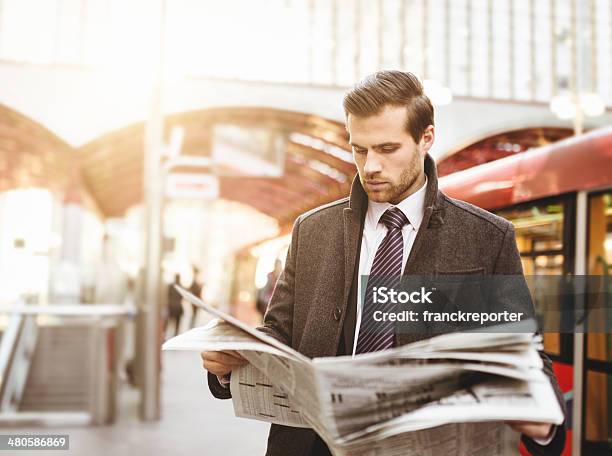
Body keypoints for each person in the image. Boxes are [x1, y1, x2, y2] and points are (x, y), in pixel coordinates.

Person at [201, 71, 566, 455]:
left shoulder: (487, 238)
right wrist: (231, 360)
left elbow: (526, 353)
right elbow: (280, 332)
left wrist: (543, 423)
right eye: (360, 150)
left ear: (426, 138)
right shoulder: (312, 231)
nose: (370, 166)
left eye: (387, 149)